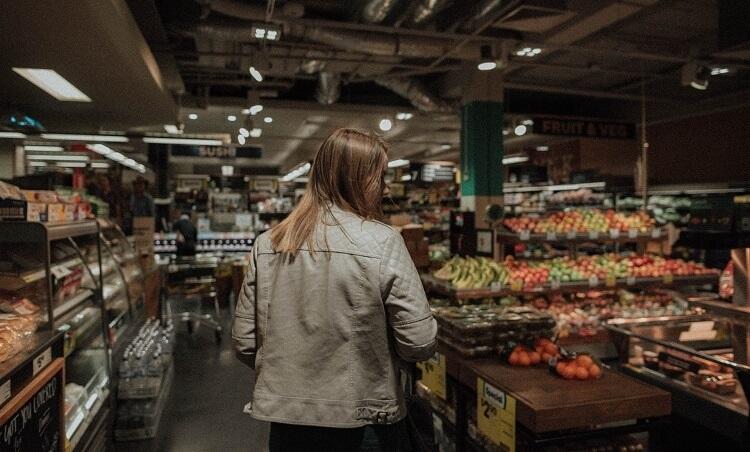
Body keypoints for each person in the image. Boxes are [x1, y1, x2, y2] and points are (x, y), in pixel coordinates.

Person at [232, 128, 437, 452]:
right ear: (355, 179)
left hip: (288, 424)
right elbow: (419, 341)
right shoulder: (383, 242)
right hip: (365, 423)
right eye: (380, 177)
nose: (385, 189)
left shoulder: (268, 244)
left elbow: (244, 342)